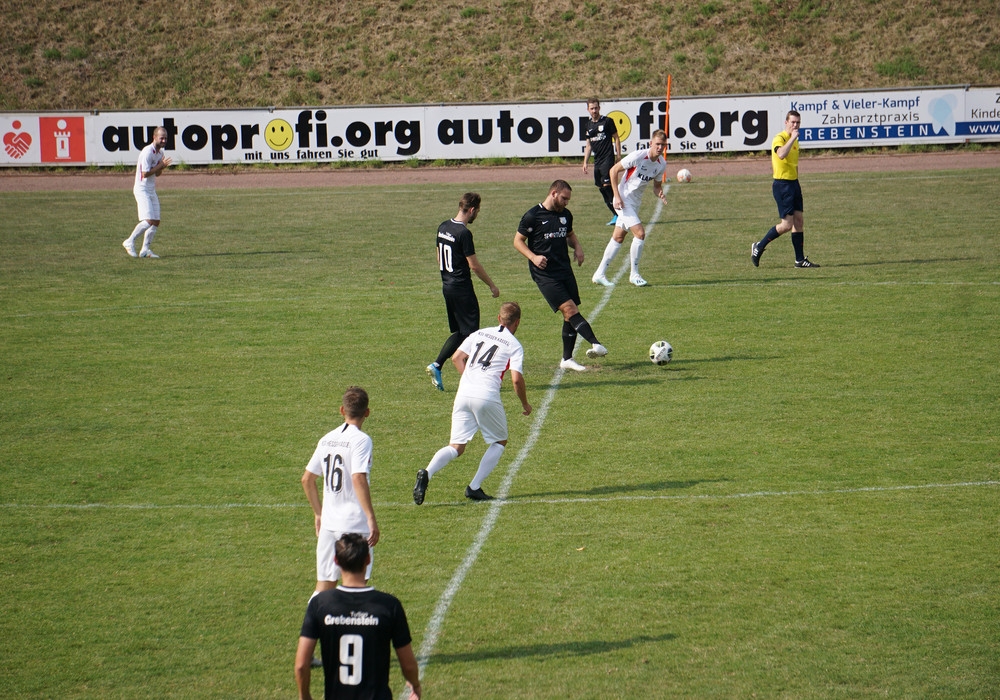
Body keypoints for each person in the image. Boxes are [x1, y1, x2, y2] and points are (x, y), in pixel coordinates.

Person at [414, 301, 531, 504]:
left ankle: (427, 472)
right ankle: (474, 487)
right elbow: (516, 379)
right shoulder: (514, 345)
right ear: (518, 322)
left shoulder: (479, 333)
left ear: (499, 318)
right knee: (499, 441)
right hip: (486, 395)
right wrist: (525, 404)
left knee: (456, 446)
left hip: (463, 393)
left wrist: (470, 379)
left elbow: (456, 358)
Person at [295, 533, 421, 700]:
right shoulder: (389, 605)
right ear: (367, 560)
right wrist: (415, 684)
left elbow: (301, 665)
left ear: (336, 561)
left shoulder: (319, 604)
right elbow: (408, 665)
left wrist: (305, 696)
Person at [513, 180, 608, 372]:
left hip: (564, 270)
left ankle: (567, 359)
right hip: (545, 274)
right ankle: (596, 343)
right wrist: (533, 257)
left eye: (568, 200)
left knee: (569, 315)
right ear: (554, 193)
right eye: (564, 198)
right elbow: (518, 241)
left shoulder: (565, 215)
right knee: (570, 309)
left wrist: (578, 248)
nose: (566, 202)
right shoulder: (533, 216)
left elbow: (570, 234)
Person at [302, 386, 380, 597]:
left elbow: (307, 479)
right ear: (367, 412)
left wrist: (318, 514)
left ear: (342, 410)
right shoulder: (362, 440)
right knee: (356, 586)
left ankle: (311, 618)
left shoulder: (326, 439)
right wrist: (371, 518)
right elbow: (358, 477)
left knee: (323, 587)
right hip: (355, 524)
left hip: (329, 525)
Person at [426, 192, 499, 392]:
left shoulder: (443, 226)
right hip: (462, 289)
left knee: (461, 333)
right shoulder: (463, 233)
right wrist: (492, 285)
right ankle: (472, 381)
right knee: (472, 335)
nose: (477, 215)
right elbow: (474, 265)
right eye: (478, 211)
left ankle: (437, 365)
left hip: (447, 286)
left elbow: (439, 255)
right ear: (472, 210)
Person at [591, 129, 668, 288]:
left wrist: (659, 192)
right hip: (623, 200)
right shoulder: (638, 156)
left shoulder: (661, 164)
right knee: (640, 233)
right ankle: (634, 274)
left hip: (635, 203)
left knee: (618, 237)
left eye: (663, 145)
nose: (660, 147)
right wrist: (617, 196)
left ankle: (599, 274)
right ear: (651, 143)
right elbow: (613, 170)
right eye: (657, 144)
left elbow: (656, 186)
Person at [751, 109, 820, 268]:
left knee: (799, 221)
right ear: (786, 122)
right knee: (787, 225)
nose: (795, 125)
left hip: (793, 183)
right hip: (782, 185)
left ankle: (799, 260)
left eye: (798, 122)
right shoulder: (780, 138)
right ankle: (759, 246)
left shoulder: (795, 141)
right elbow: (781, 154)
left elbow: (794, 164)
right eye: (793, 122)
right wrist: (792, 138)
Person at [122, 126, 172, 259]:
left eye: (165, 138)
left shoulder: (160, 153)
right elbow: (145, 173)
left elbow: (157, 174)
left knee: (156, 221)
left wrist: (162, 167)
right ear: (154, 137)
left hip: (151, 190)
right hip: (142, 189)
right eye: (161, 138)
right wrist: (160, 165)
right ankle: (129, 241)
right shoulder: (147, 152)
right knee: (148, 220)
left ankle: (145, 250)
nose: (164, 141)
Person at [581, 97, 622, 227]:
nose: (594, 111)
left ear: (599, 108)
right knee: (601, 188)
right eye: (592, 108)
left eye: (596, 108)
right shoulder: (588, 125)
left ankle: (619, 213)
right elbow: (588, 145)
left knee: (607, 185)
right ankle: (616, 214)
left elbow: (616, 138)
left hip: (607, 158)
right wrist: (585, 162)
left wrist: (618, 155)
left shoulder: (607, 121)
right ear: (588, 109)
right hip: (597, 160)